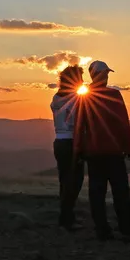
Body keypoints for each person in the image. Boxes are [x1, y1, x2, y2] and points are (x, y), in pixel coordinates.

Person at [75, 60, 130, 241]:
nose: (107, 76)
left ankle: (102, 230)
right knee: (121, 192)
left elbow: (80, 126)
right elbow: (123, 123)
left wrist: (78, 151)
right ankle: (126, 229)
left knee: (97, 192)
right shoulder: (115, 95)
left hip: (93, 153)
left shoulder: (84, 97)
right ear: (100, 75)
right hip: (114, 152)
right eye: (106, 73)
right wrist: (127, 147)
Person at [50, 65, 86, 231]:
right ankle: (66, 219)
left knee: (64, 181)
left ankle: (65, 218)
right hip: (73, 142)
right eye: (80, 78)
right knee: (75, 181)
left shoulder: (56, 98)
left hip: (59, 141)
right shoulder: (78, 99)